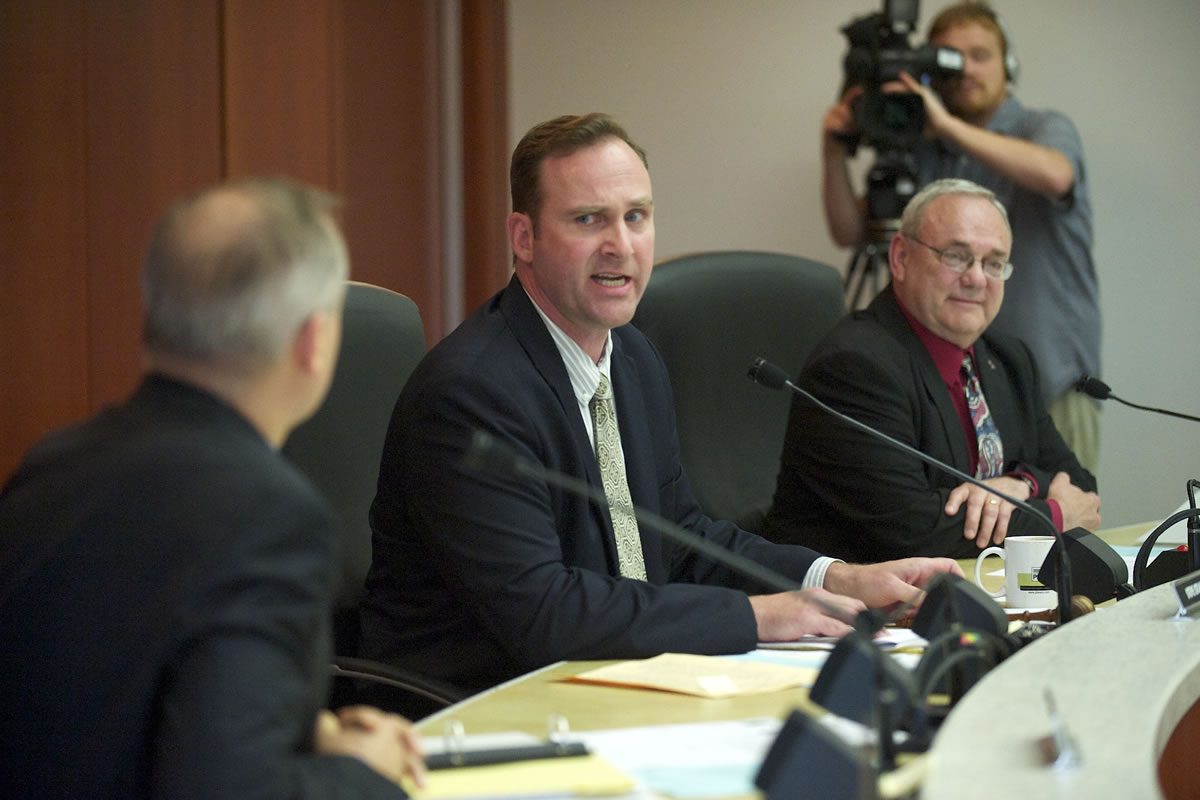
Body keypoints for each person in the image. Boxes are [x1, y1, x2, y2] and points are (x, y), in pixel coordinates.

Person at [359, 113, 961, 695]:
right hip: (482, 708)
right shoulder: (473, 393)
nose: (620, 245)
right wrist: (758, 618)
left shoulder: (634, 358)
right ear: (524, 237)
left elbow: (679, 538)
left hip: (610, 680)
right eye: (589, 219)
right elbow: (543, 615)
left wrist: (837, 577)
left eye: (636, 217)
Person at [0, 179, 424, 798]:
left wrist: (303, 733)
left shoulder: (50, 466)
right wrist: (366, 772)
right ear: (313, 341)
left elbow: (112, 706)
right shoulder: (271, 516)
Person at [822, 1, 1101, 471]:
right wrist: (832, 153)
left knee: (1063, 525)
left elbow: (1056, 176)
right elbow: (850, 230)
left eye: (980, 55)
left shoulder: (1044, 128)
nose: (966, 69)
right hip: (955, 379)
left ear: (1008, 65)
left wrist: (947, 125)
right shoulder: (927, 150)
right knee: (977, 523)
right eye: (952, 57)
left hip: (1051, 377)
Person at [764, 178, 1100, 562]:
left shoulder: (1008, 359)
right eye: (956, 256)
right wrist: (1055, 514)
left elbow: (1080, 485)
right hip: (849, 609)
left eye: (994, 263)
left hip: (977, 592)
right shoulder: (854, 367)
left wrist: (1020, 484)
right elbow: (916, 530)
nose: (975, 278)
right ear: (901, 258)